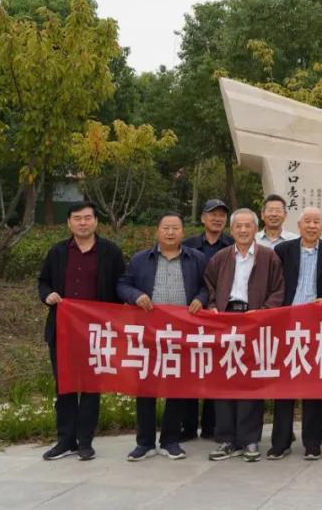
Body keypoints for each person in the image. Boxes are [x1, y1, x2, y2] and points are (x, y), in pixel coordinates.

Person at [38, 202, 126, 461]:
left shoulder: (110, 252)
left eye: (88, 218)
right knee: (64, 386)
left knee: (90, 388)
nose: (83, 223)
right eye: (77, 218)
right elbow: (43, 281)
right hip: (63, 331)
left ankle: (85, 441)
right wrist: (47, 296)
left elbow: (121, 284)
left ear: (96, 221)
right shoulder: (58, 252)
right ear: (69, 223)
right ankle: (65, 440)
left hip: (96, 332)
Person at [117, 212, 208, 462]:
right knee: (146, 387)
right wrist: (135, 295)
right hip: (149, 333)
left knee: (177, 387)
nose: (170, 232)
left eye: (175, 228)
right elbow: (122, 285)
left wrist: (201, 299)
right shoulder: (140, 259)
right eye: (166, 228)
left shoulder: (196, 258)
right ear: (157, 231)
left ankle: (170, 440)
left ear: (182, 232)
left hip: (182, 332)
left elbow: (207, 286)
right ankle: (144, 442)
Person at [205, 209, 284, 462]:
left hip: (254, 322)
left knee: (251, 381)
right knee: (225, 379)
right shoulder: (221, 257)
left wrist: (263, 313)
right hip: (225, 321)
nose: (242, 230)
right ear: (231, 230)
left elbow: (278, 291)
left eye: (247, 226)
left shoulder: (268, 257)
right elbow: (208, 286)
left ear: (255, 229)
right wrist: (212, 306)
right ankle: (226, 439)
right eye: (238, 226)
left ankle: (249, 439)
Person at [269, 207, 322, 460]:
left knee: (314, 385)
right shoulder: (283, 251)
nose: (312, 226)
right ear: (299, 225)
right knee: (284, 387)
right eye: (307, 222)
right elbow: (274, 285)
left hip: (317, 327)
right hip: (286, 325)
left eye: (317, 222)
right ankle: (280, 442)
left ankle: (312, 442)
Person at [181, 198, 233, 440]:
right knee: (190, 370)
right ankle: (188, 426)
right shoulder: (188, 245)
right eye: (212, 214)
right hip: (191, 316)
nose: (217, 219)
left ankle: (212, 427)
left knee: (217, 370)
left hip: (220, 317)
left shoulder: (232, 245)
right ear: (203, 218)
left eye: (222, 215)